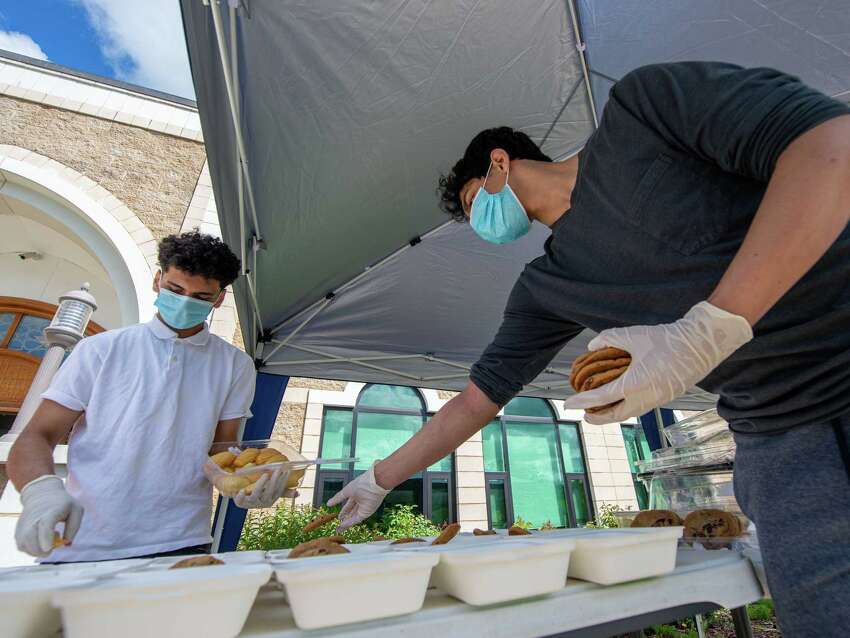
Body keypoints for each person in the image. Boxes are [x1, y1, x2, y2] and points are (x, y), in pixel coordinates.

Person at [327, 62, 850, 636]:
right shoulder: (547, 287)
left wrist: (712, 328)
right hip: (780, 436)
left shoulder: (642, 113)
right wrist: (379, 478)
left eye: (475, 199)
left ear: (500, 161)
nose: (479, 220)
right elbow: (476, 400)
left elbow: (831, 144)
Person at [8, 231, 289, 563]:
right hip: (83, 541)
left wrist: (244, 482)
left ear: (218, 299)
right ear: (158, 280)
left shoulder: (235, 365)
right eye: (175, 289)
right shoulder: (101, 349)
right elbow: (36, 436)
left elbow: (222, 448)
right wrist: (40, 491)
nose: (185, 301)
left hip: (182, 540)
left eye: (200, 296)